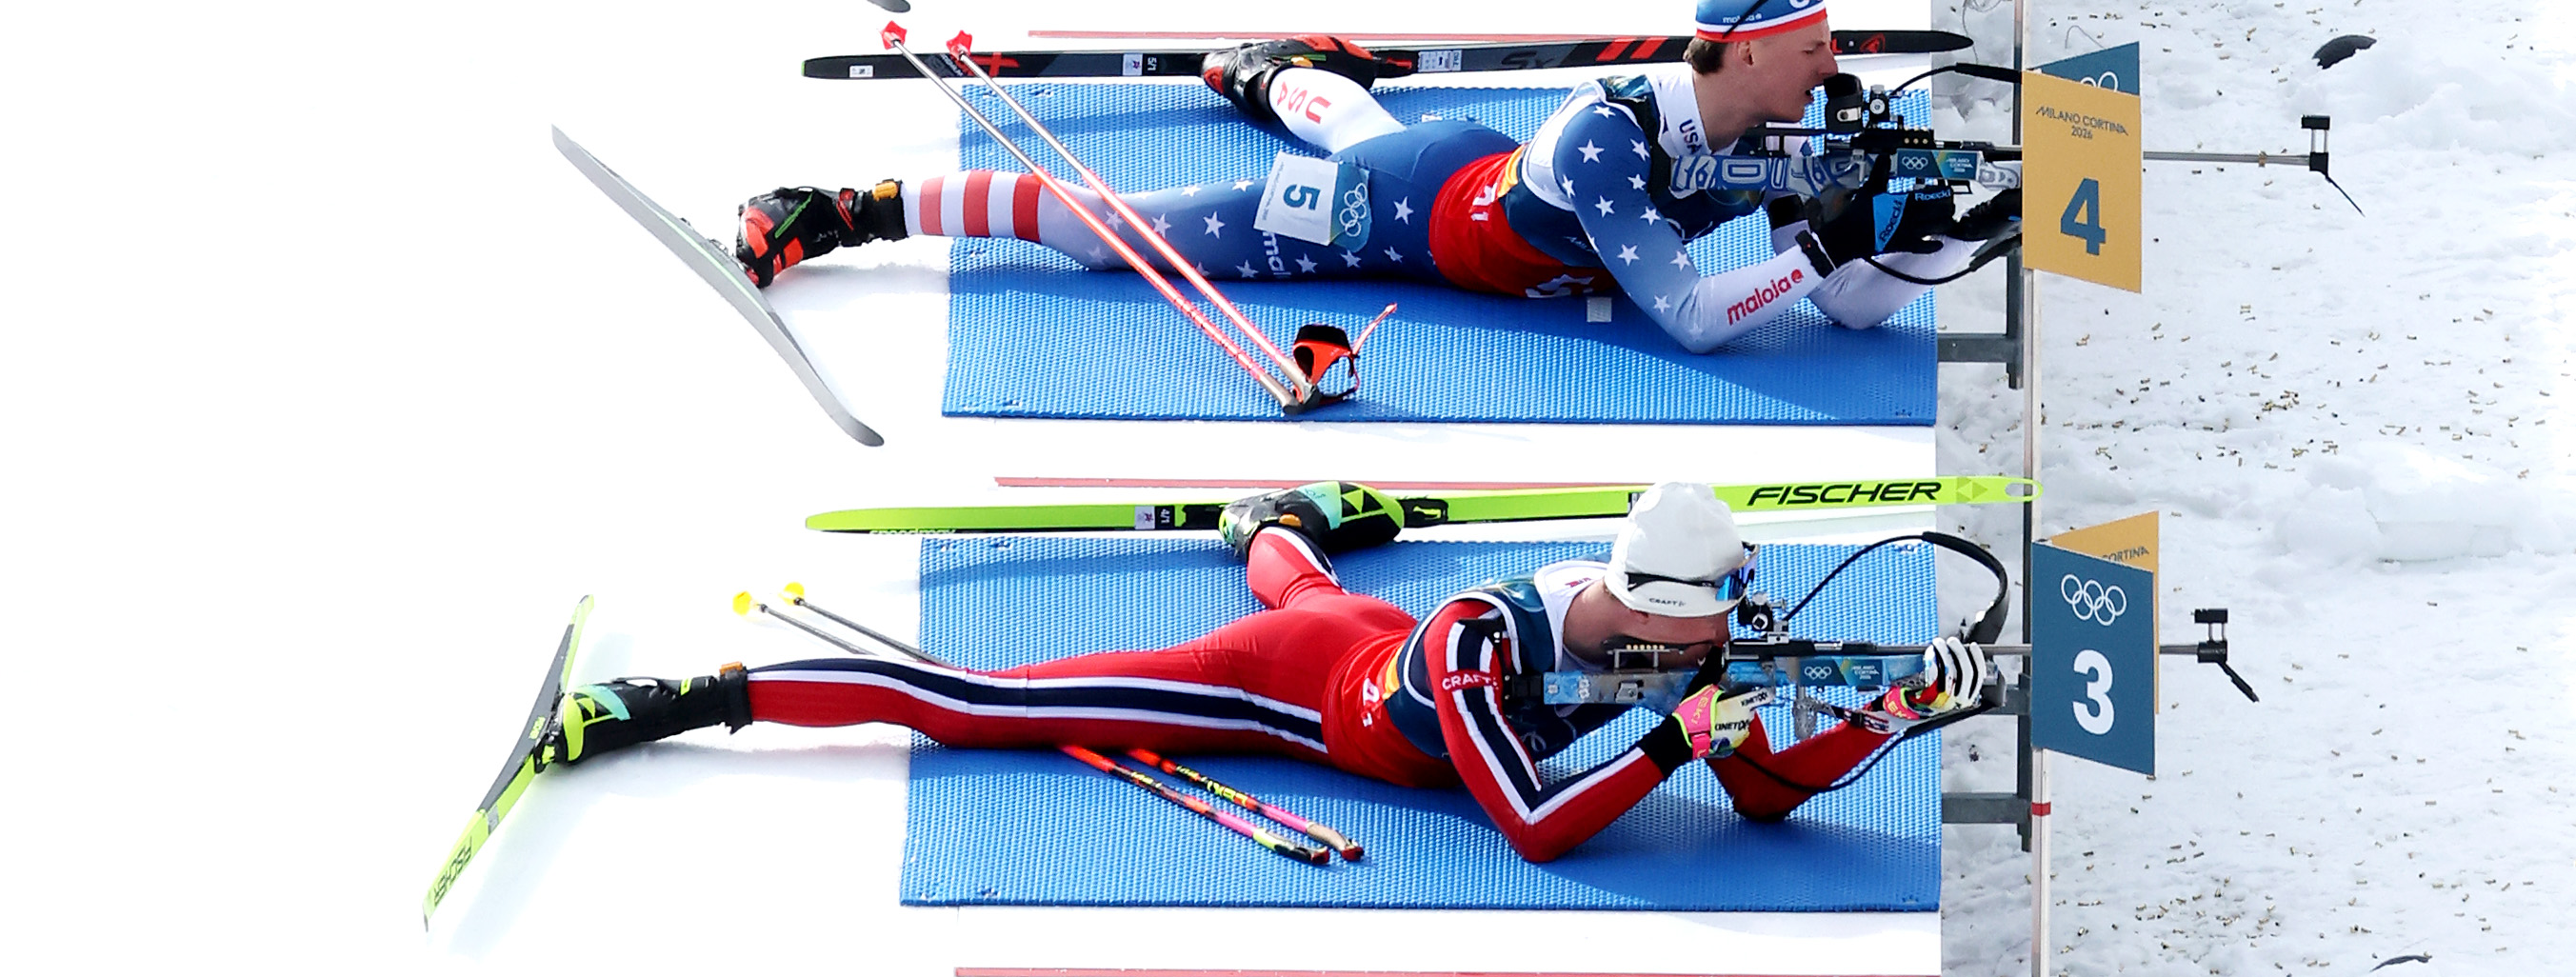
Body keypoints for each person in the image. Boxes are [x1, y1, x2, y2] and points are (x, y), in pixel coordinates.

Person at [464, 467, 1991, 868]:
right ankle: (676, 698)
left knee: (1307, 567)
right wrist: (1676, 737)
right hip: (1290, 687)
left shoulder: (1674, 639)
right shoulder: (1484, 645)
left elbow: (1767, 791)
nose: (1738, 629)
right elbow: (1530, 825)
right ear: (1656, 606)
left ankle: (1269, 520)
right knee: (977, 705)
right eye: (1723, 613)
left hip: (1353, 626)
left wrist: (1898, 700)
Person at [729, 0, 2016, 335]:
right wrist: (1824, 239)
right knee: (1127, 234)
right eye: (1813, 46)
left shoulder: (1789, 123)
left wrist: (1950, 235)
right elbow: (1690, 313)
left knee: (1357, 117)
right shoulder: (1611, 142)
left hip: (1463, 158)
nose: (1835, 66)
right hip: (1396, 214)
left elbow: (1842, 309)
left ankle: (1272, 71)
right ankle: (853, 205)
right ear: (1742, 53)